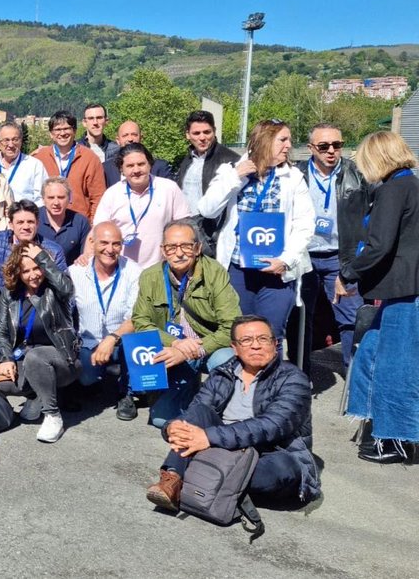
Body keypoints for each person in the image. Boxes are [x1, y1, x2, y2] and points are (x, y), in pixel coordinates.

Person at [146, 315, 320, 511]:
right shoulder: (223, 373)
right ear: (235, 348)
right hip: (223, 447)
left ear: (275, 344)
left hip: (271, 451)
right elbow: (197, 410)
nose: (256, 346)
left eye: (263, 339)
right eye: (246, 340)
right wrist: (172, 427)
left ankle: (203, 478)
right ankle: (172, 479)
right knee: (196, 415)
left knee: (280, 471)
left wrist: (208, 437)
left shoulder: (294, 379)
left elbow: (272, 426)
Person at [337, 131, 419, 464]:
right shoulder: (409, 185)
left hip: (405, 292)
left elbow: (379, 246)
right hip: (401, 291)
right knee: (370, 355)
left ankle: (397, 440)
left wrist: (348, 274)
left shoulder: (394, 189)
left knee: (394, 369)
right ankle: (380, 428)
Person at [198, 120, 314, 340]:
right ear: (264, 141)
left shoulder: (293, 178)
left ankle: (273, 365)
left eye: (289, 140)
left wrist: (286, 260)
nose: (289, 145)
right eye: (283, 140)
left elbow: (305, 224)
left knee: (270, 334)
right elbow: (207, 209)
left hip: (277, 271)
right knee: (240, 333)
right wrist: (235, 176)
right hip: (239, 269)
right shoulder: (232, 170)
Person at [131, 220, 239, 428]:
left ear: (197, 248)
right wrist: (175, 344)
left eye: (186, 246)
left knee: (225, 360)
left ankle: (218, 407)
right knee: (162, 420)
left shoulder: (215, 273)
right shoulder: (150, 277)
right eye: (171, 247)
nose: (179, 253)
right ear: (163, 250)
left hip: (209, 346)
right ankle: (189, 388)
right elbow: (140, 321)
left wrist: (194, 349)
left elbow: (231, 326)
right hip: (173, 348)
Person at [0, 241, 80, 443]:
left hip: (63, 358)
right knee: (1, 383)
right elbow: (1, 331)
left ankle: (53, 415)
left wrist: (43, 258)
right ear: (18, 273)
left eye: (37, 268)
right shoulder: (10, 294)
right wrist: (6, 358)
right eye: (26, 271)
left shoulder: (55, 289)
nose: (33, 275)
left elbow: (67, 288)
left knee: (35, 357)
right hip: (26, 356)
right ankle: (36, 396)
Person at [297, 123, 364, 371]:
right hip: (303, 256)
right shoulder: (296, 174)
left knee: (351, 319)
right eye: (324, 146)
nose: (331, 151)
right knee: (300, 318)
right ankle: (300, 375)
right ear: (311, 148)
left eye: (337, 145)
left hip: (340, 257)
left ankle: (354, 378)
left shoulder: (357, 173)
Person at [67, 222, 141, 419]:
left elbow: (135, 317)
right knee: (86, 379)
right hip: (89, 342)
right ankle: (99, 378)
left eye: (116, 244)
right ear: (92, 242)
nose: (110, 249)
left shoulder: (134, 271)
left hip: (122, 340)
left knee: (135, 346)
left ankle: (126, 392)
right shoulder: (75, 272)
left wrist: (112, 338)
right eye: (104, 243)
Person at [92, 143, 189, 269]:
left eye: (141, 164)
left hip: (160, 268)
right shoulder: (112, 194)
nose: (136, 170)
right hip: (122, 269)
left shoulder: (169, 188)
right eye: (130, 166)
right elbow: (98, 230)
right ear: (121, 169)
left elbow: (184, 227)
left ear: (150, 164)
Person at [175, 110, 240, 255]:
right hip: (188, 230)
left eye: (207, 132)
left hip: (213, 237)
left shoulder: (231, 160)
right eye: (196, 133)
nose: (202, 137)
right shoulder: (187, 160)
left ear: (214, 131)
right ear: (188, 135)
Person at [33, 110, 105, 220]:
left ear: (74, 131)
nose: (62, 133)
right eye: (57, 130)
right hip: (46, 223)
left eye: (66, 128)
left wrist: (91, 225)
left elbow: (98, 197)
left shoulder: (90, 158)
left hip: (78, 223)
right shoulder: (39, 158)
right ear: (51, 134)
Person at [0, 200, 67, 287]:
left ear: (37, 224)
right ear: (11, 225)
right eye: (20, 222)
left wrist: (44, 259)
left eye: (30, 222)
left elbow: (65, 287)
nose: (26, 227)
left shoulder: (54, 251)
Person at [103, 121, 175, 186]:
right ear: (118, 140)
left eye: (134, 135)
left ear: (141, 138)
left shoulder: (159, 167)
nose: (130, 139)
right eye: (125, 135)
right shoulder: (106, 169)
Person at [37, 177, 89, 265]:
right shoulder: (33, 219)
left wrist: (83, 258)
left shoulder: (80, 222)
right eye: (51, 198)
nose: (56, 203)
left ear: (69, 199)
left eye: (61, 197)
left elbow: (86, 255)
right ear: (43, 199)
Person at [0, 121, 46, 205]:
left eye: (15, 140)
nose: (11, 145)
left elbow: (41, 199)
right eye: (6, 140)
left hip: (24, 212)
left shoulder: (34, 165)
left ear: (21, 141)